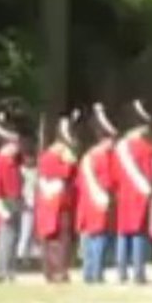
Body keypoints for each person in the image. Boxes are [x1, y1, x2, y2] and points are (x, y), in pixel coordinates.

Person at [114, 100, 152, 284]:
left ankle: (122, 271)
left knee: (123, 233)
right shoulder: (145, 148)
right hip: (139, 194)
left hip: (123, 194)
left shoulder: (121, 147)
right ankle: (138, 272)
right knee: (139, 234)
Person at [76, 103, 118, 284]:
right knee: (97, 238)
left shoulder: (92, 156)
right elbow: (108, 179)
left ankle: (90, 272)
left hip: (91, 200)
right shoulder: (98, 156)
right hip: (96, 199)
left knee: (92, 237)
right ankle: (95, 272)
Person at [36, 111, 79, 283]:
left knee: (62, 239)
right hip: (54, 203)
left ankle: (59, 270)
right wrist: (69, 163)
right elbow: (60, 174)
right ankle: (56, 271)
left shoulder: (53, 156)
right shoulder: (50, 157)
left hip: (61, 203)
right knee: (56, 240)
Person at [0, 113, 23, 284]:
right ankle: (0, 272)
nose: (18, 147)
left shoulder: (13, 163)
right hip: (4, 204)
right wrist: (1, 209)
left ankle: (11, 270)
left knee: (14, 239)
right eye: (15, 144)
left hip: (15, 202)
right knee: (4, 241)